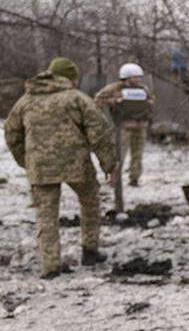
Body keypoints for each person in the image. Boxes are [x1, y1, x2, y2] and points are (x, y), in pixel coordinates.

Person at [5, 57, 117, 279]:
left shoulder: (26, 101)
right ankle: (90, 250)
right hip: (77, 165)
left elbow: (11, 134)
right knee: (90, 201)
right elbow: (99, 132)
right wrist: (109, 164)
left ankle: (50, 266)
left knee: (46, 215)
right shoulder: (77, 98)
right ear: (70, 78)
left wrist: (26, 161)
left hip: (41, 168)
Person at [94, 62, 155, 187]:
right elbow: (98, 100)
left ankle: (135, 178)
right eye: (135, 77)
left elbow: (151, 100)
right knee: (119, 155)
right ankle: (114, 180)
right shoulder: (114, 88)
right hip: (123, 127)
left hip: (140, 125)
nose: (138, 79)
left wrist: (148, 103)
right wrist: (115, 101)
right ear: (126, 77)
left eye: (139, 77)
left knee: (137, 155)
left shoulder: (143, 89)